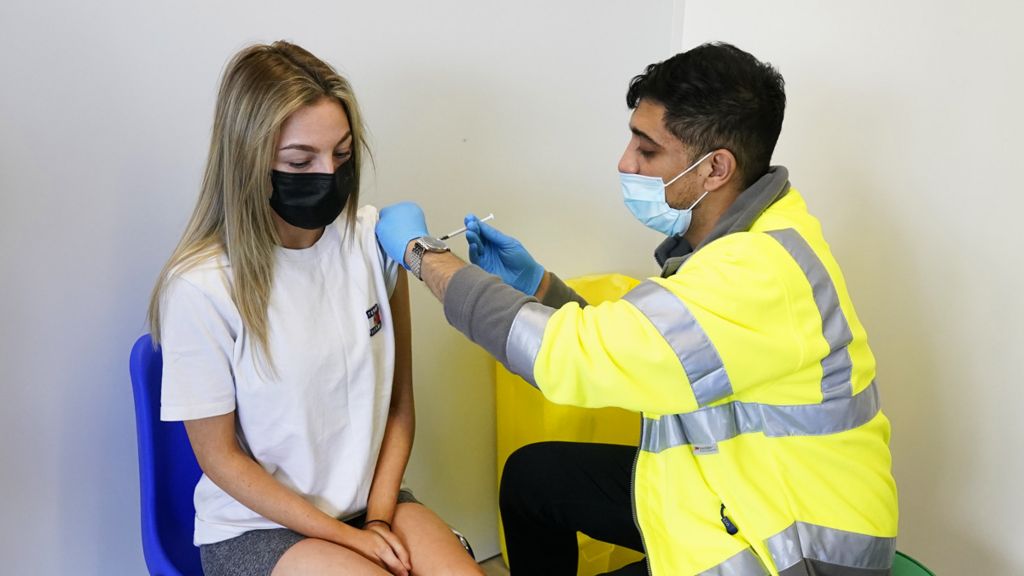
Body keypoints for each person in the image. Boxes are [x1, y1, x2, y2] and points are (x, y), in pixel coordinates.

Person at [374, 42, 899, 575]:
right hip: (732, 486)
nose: (626, 162)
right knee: (537, 476)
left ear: (715, 168)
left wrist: (424, 256)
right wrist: (539, 286)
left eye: (647, 151)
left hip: (794, 549)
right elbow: (650, 352)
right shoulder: (748, 235)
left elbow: (576, 359)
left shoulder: (756, 270)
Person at [147, 41, 483, 576]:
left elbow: (399, 403)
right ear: (249, 160)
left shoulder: (373, 243)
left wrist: (375, 522)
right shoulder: (201, 286)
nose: (328, 173)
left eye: (343, 154)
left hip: (371, 505)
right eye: (301, 161)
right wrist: (345, 539)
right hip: (258, 528)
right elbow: (220, 460)